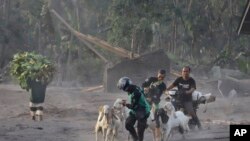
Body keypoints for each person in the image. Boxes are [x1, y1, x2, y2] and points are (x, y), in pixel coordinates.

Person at [117, 77, 151, 141]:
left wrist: (125, 104)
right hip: (136, 110)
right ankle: (135, 138)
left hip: (143, 110)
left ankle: (143, 126)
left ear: (126, 87)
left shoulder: (135, 93)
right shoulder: (133, 88)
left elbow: (132, 106)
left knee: (140, 130)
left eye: (123, 88)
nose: (124, 90)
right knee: (128, 124)